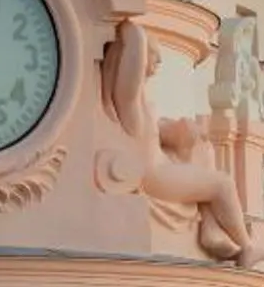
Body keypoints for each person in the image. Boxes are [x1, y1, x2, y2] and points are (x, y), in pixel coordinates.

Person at [102, 16, 255, 265]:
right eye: (154, 54)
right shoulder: (130, 104)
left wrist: (186, 131)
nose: (159, 61)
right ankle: (247, 246)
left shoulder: (144, 105)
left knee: (203, 149)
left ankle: (211, 227)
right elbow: (131, 60)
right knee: (223, 184)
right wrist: (132, 27)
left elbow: (161, 130)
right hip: (155, 176)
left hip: (162, 167)